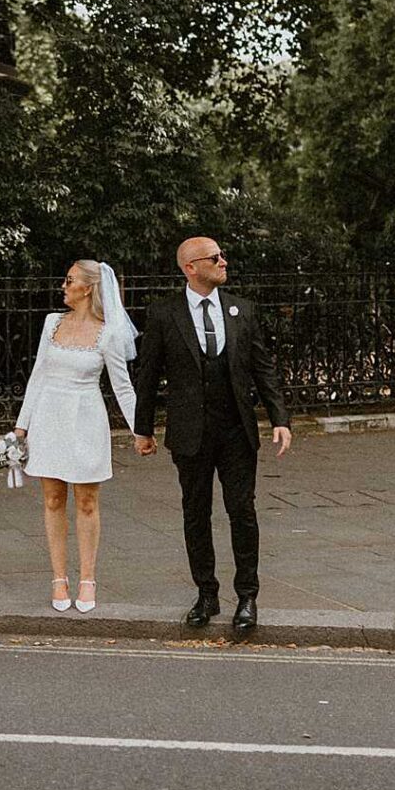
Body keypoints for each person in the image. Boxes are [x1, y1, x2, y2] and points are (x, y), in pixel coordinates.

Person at [133, 235, 291, 634]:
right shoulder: (164, 314)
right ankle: (206, 593)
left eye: (222, 256)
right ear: (191, 267)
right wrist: (142, 429)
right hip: (190, 433)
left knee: (243, 511)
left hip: (236, 429)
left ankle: (248, 596)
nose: (224, 262)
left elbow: (263, 367)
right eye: (215, 257)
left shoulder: (242, 310)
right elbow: (148, 375)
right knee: (195, 513)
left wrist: (280, 419)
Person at [14, 258, 138, 614]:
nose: (63, 287)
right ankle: (58, 577)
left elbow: (123, 387)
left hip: (85, 417)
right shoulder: (52, 323)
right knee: (53, 499)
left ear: (88, 288)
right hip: (49, 417)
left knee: (86, 501)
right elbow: (38, 375)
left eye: (69, 281)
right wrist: (21, 427)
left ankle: (87, 577)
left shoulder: (109, 332)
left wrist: (139, 430)